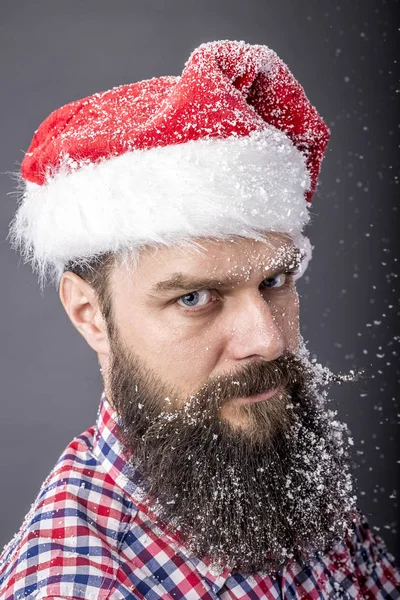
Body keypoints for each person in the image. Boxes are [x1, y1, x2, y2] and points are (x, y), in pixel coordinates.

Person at [0, 39, 399, 600]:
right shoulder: (81, 586)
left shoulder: (279, 466)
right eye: (194, 298)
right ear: (90, 314)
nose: (267, 339)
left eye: (275, 282)